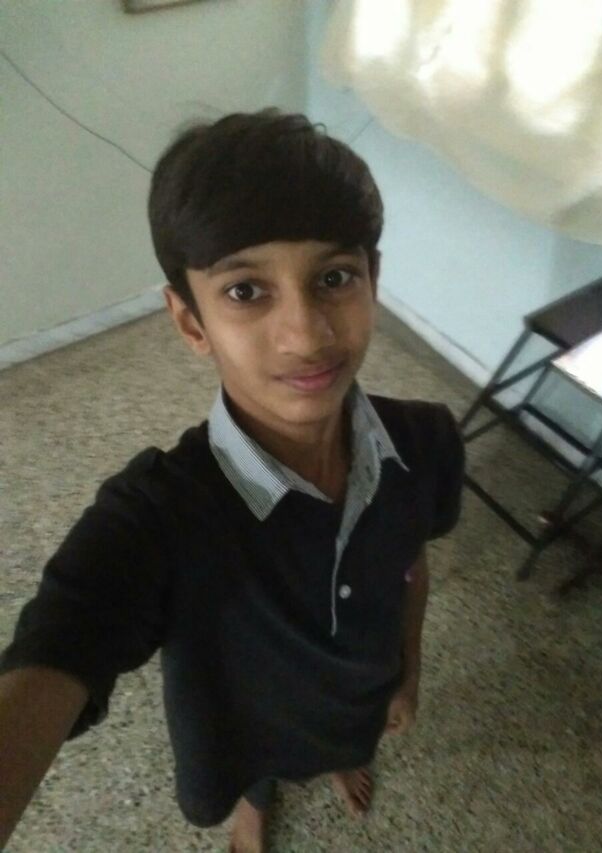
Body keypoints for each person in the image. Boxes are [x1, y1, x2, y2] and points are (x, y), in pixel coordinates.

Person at [0, 108, 465, 853]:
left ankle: (338, 756)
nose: (307, 335)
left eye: (334, 278)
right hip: (246, 726)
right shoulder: (157, 515)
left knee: (348, 736)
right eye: (247, 291)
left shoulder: (429, 441)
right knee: (256, 768)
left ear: (372, 281)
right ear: (191, 323)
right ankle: (256, 802)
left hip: (358, 694)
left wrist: (408, 669)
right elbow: (68, 631)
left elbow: (412, 564)